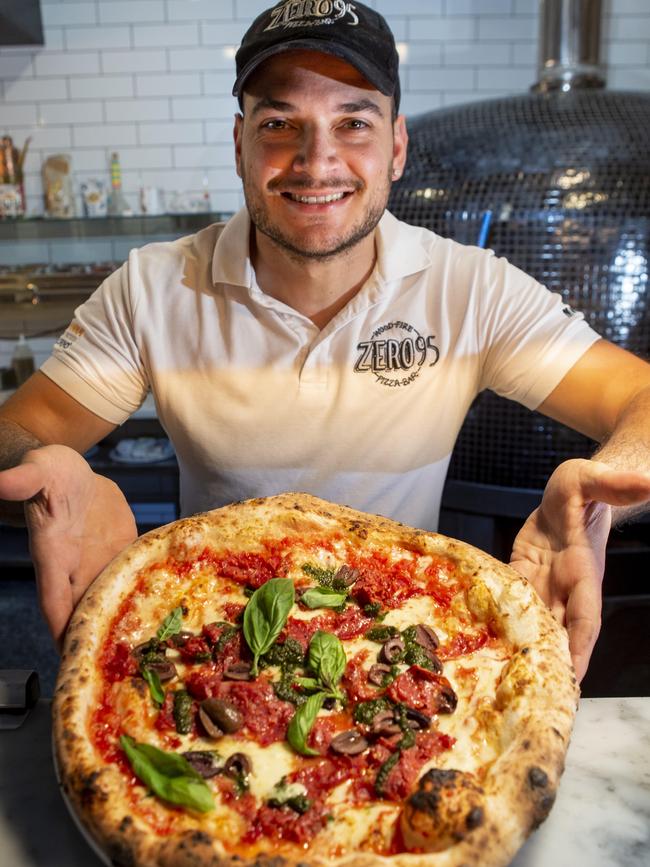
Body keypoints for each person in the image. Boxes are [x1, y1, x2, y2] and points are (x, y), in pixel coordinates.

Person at [1, 1, 649, 682]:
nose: (317, 161)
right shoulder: (153, 288)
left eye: (352, 123)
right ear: (239, 145)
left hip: (398, 654)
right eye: (280, 124)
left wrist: (602, 485)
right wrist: (42, 480)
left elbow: (638, 396)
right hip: (214, 652)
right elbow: (14, 431)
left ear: (396, 147)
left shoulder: (469, 288)